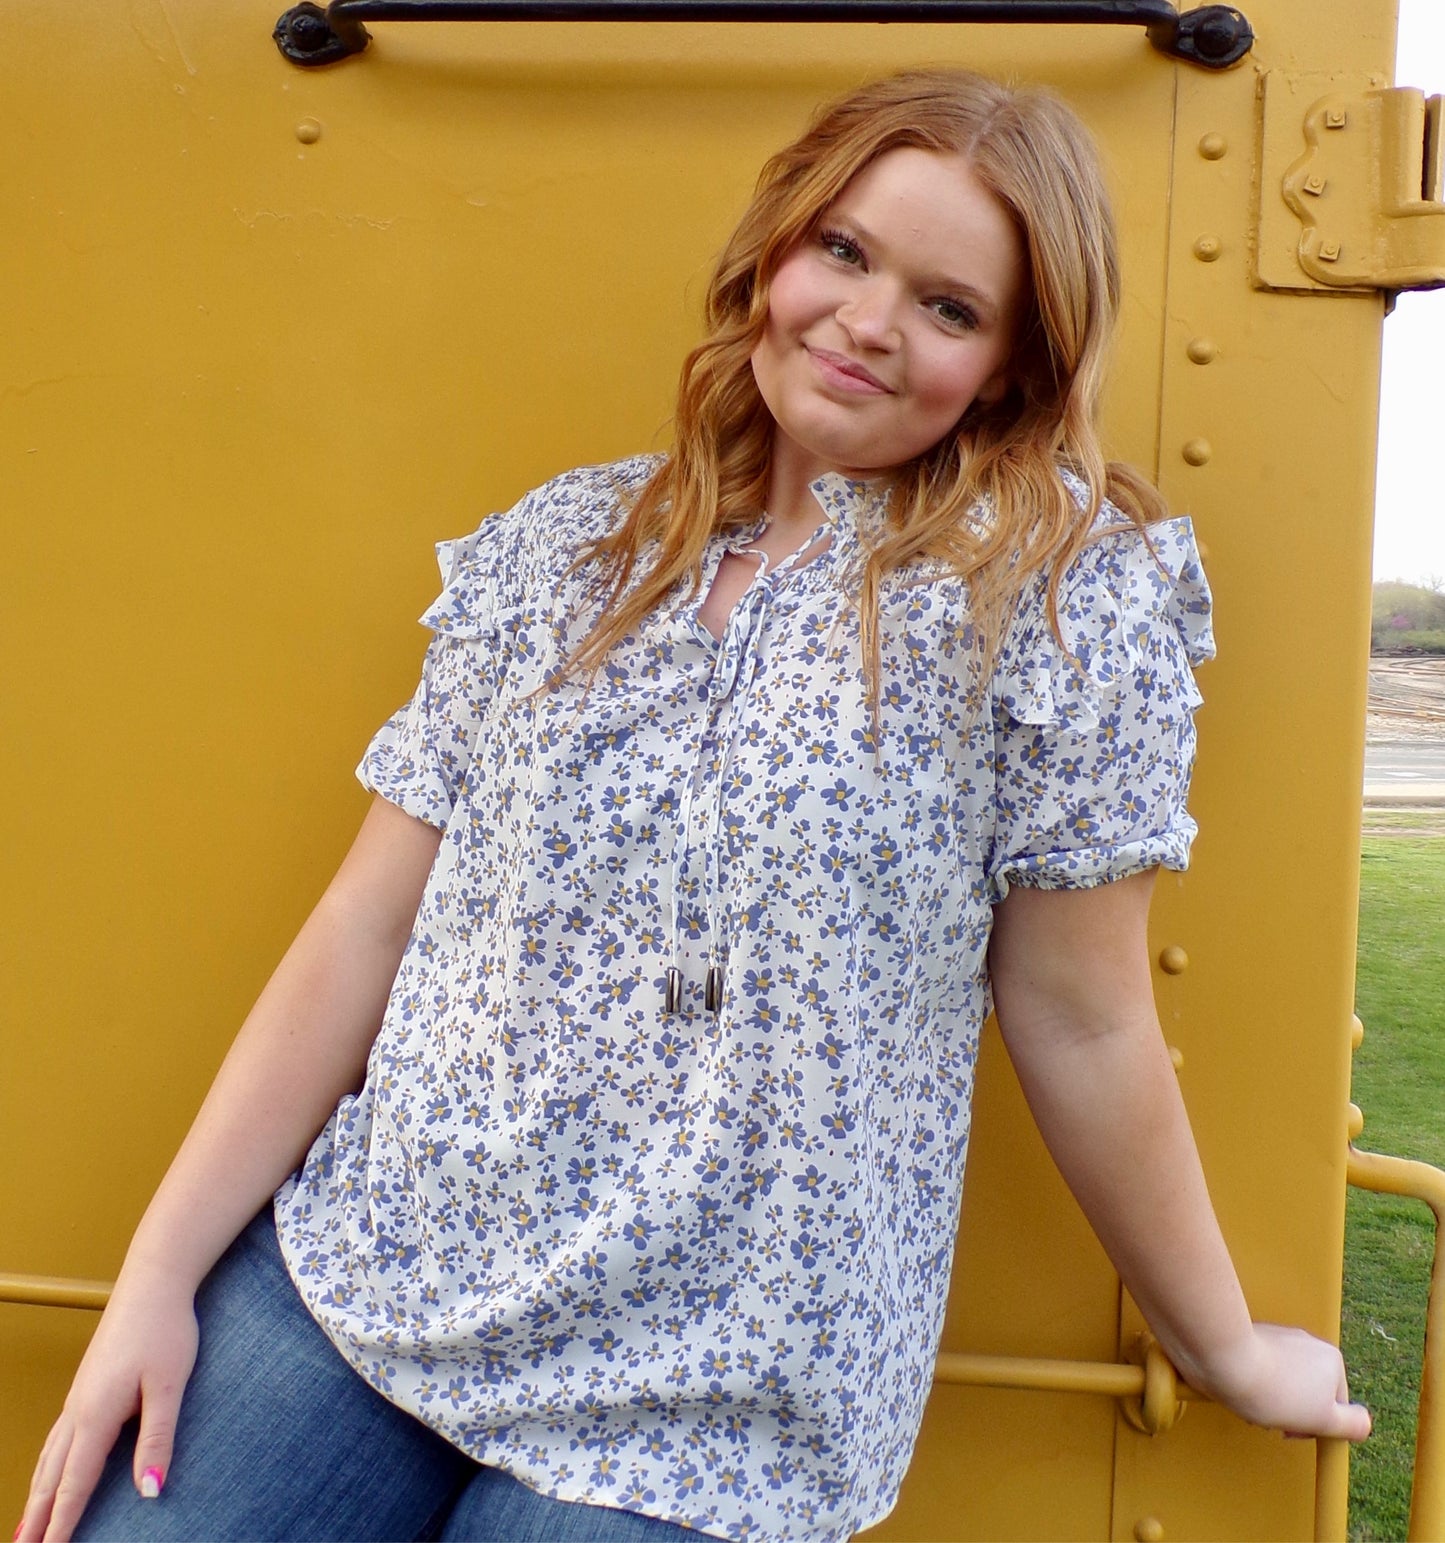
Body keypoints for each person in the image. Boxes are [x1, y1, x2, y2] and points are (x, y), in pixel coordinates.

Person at [19, 67, 1370, 1543]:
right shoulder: (570, 549)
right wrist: (156, 1279)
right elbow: (366, 922)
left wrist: (1220, 1343)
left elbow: (1084, 1017)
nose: (865, 321)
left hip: (715, 1397)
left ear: (1011, 366)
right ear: (774, 253)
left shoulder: (1052, 611)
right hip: (375, 1280)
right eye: (844, 253)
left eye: (948, 306)